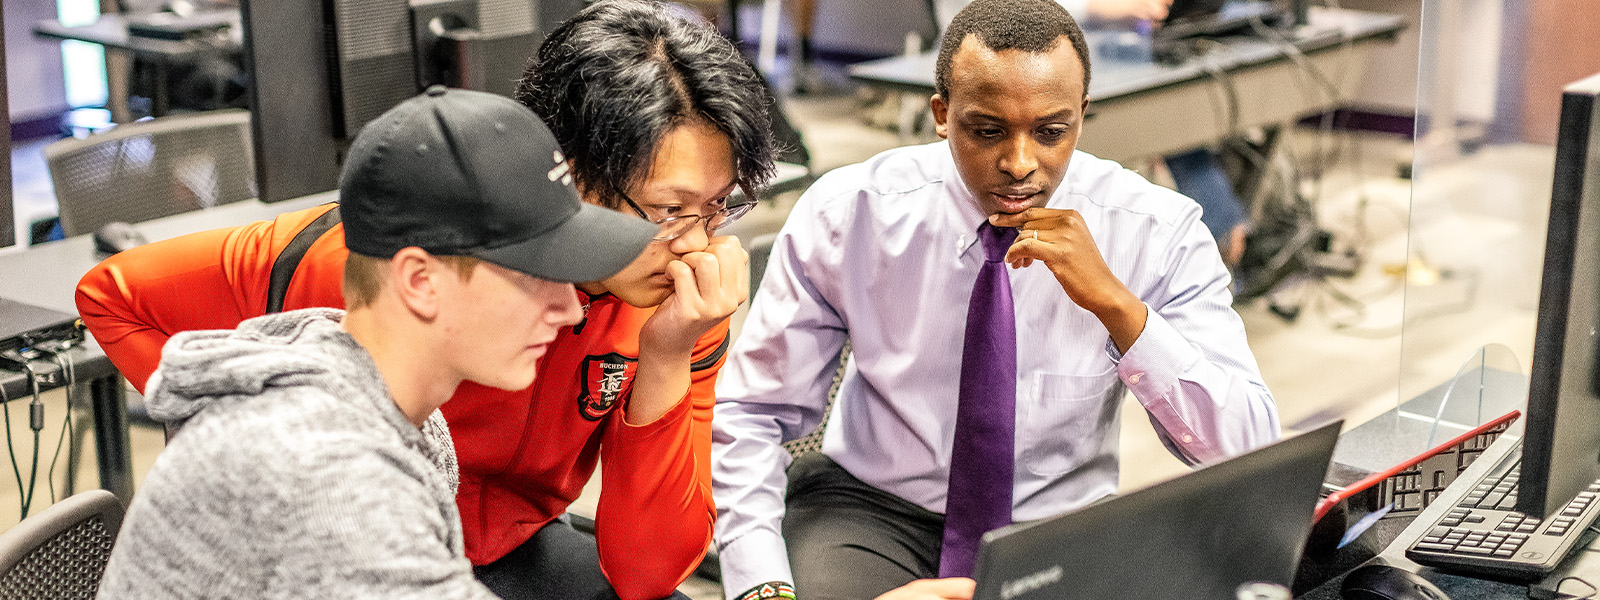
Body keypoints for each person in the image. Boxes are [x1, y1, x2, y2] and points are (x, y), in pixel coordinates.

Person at [76, 2, 774, 598]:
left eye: (719, 207)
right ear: (565, 174)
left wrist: (667, 357)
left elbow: (646, 574)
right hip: (366, 514)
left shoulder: (678, 306)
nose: (697, 245)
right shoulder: (360, 266)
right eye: (668, 210)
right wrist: (238, 438)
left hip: (491, 535)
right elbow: (113, 293)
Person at [710, 1, 1279, 599]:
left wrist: (1121, 310)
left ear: (1082, 116)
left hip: (1058, 527)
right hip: (871, 512)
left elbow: (1247, 450)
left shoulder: (1158, 230)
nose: (1018, 164)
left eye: (1051, 132)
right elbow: (752, 414)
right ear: (941, 115)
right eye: (986, 131)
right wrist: (760, 587)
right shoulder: (851, 212)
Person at [96, 88, 656, 598]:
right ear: (420, 281)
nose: (568, 308)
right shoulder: (332, 479)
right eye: (535, 274)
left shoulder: (399, 411)